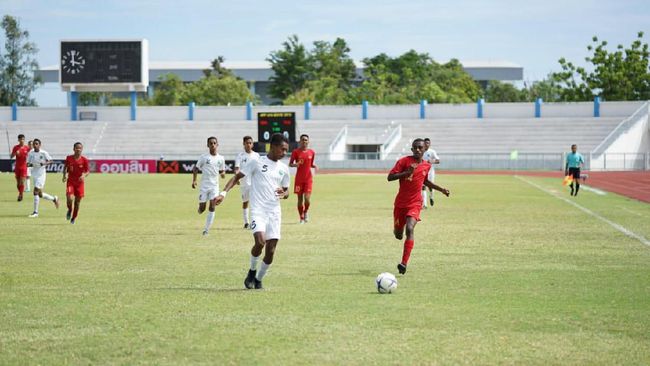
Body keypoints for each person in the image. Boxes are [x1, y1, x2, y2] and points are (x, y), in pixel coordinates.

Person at [216, 133, 290, 290]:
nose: (284, 153)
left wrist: (284, 194)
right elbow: (236, 177)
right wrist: (223, 193)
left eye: (286, 150)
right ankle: (252, 270)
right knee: (260, 242)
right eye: (282, 149)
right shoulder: (256, 162)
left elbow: (286, 190)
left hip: (274, 212)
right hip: (258, 210)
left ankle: (258, 279)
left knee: (271, 251)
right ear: (273, 146)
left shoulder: (284, 169)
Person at [388, 138, 450, 275]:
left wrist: (441, 190)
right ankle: (397, 229)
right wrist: (406, 173)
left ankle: (403, 264)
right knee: (399, 235)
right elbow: (390, 177)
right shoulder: (404, 161)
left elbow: (425, 181)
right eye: (415, 147)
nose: (417, 150)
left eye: (420, 148)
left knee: (410, 229)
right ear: (411, 149)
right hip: (400, 204)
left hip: (415, 203)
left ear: (424, 149)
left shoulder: (426, 165)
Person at [192, 137, 226, 235]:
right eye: (211, 143)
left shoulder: (221, 158)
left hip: (214, 186)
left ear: (217, 145)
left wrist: (223, 174)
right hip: (204, 186)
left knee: (212, 206)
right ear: (208, 145)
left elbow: (222, 170)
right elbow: (195, 169)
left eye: (214, 143)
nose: (213, 145)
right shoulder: (204, 157)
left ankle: (206, 230)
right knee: (202, 209)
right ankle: (200, 208)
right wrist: (194, 180)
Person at [26, 139, 59, 217]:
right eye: (34, 144)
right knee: (40, 194)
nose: (35, 145)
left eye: (36, 144)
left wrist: (44, 163)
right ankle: (54, 199)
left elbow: (51, 160)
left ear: (40, 145)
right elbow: (27, 164)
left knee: (35, 192)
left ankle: (35, 212)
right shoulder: (30, 153)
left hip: (41, 175)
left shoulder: (44, 153)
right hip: (34, 174)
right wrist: (33, 164)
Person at [289, 134, 317, 224]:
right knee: (300, 200)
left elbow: (311, 164)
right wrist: (295, 164)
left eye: (306, 140)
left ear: (308, 141)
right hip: (299, 179)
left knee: (307, 199)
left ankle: (306, 212)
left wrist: (314, 166)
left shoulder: (312, 152)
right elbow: (290, 164)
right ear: (300, 141)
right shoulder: (295, 152)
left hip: (308, 179)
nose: (304, 141)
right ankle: (301, 217)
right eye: (303, 140)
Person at [234, 136, 260, 229]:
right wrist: (237, 178)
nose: (248, 144)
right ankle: (246, 222)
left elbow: (259, 169)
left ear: (252, 144)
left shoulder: (256, 155)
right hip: (244, 183)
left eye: (250, 143)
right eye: (247, 143)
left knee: (255, 203)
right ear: (243, 144)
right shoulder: (240, 156)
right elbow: (237, 169)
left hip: (254, 183)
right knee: (245, 202)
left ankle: (254, 222)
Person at [62, 142, 90, 224]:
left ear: (82, 149)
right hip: (70, 182)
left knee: (77, 203)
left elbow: (87, 171)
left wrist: (84, 175)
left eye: (80, 148)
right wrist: (64, 176)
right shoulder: (69, 158)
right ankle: (70, 209)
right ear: (73, 149)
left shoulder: (84, 160)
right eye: (77, 148)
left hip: (80, 184)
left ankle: (73, 218)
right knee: (69, 199)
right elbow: (65, 167)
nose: (78, 149)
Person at [421, 138, 440, 208]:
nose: (426, 144)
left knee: (431, 187)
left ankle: (431, 196)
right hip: (422, 172)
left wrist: (431, 161)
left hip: (430, 172)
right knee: (423, 187)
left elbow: (438, 161)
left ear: (430, 144)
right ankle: (424, 204)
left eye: (428, 143)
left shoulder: (432, 152)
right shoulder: (420, 151)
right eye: (425, 143)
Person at [10, 134, 30, 201]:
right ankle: (20, 193)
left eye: (23, 139)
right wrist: (15, 153)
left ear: (24, 140)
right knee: (18, 184)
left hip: (24, 167)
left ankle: (20, 195)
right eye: (20, 139)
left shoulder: (27, 148)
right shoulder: (15, 147)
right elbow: (11, 156)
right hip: (17, 167)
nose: (22, 140)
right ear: (18, 140)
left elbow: (31, 154)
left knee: (22, 182)